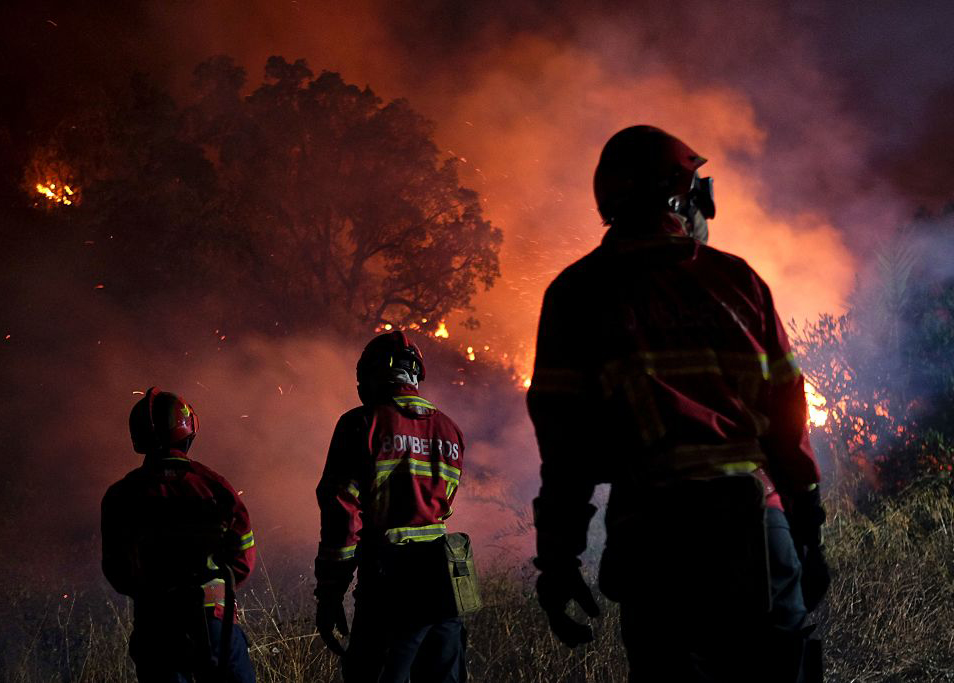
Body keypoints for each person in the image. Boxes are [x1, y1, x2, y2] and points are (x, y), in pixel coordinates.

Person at [527, 125, 830, 682]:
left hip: (654, 535)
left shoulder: (575, 294)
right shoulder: (738, 280)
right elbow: (788, 412)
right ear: (676, 196)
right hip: (756, 526)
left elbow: (564, 449)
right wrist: (807, 525)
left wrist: (559, 559)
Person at [315, 331, 469, 683]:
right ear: (415, 374)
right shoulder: (450, 430)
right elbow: (442, 507)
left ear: (371, 374)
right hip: (445, 583)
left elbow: (341, 518)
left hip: (391, 585)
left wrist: (329, 594)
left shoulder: (361, 424)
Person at [102, 387, 257, 683]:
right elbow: (243, 559)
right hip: (214, 623)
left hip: (156, 626)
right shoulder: (214, 486)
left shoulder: (121, 496)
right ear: (188, 432)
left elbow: (116, 571)